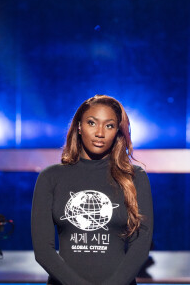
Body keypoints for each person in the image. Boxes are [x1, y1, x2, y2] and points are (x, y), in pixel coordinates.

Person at [31, 94, 154, 285]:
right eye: (92, 123)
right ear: (79, 126)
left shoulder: (135, 177)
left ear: (117, 132)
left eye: (109, 125)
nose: (100, 133)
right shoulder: (51, 177)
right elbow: (43, 250)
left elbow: (141, 245)